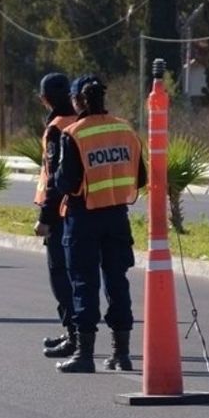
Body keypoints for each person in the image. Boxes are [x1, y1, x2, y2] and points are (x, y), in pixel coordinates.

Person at [50, 76, 144, 373]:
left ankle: (84, 355)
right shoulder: (125, 129)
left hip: (83, 218)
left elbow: (66, 182)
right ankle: (121, 354)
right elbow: (141, 177)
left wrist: (56, 175)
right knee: (117, 282)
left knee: (83, 284)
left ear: (77, 100)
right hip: (117, 216)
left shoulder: (74, 133)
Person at [32, 73, 81, 358]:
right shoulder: (82, 121)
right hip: (85, 209)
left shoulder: (56, 128)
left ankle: (73, 335)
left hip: (61, 213)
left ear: (44, 99)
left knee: (61, 276)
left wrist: (46, 218)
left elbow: (54, 179)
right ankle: (78, 335)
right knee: (81, 276)